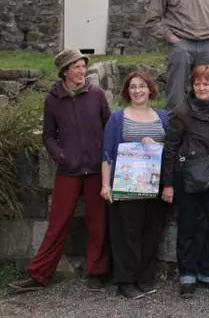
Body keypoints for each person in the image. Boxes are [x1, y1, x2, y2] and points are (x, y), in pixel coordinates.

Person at [9, 49, 111, 293]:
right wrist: (60, 155)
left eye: (83, 66)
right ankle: (39, 275)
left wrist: (105, 157)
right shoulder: (53, 98)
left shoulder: (96, 94)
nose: (81, 71)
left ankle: (98, 272)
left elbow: (109, 126)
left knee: (97, 222)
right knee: (58, 223)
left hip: (96, 170)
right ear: (65, 71)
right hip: (68, 170)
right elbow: (48, 135)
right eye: (76, 67)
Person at [160, 65, 209, 298]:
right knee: (187, 227)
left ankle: (207, 270)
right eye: (198, 83)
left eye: (206, 83)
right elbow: (171, 148)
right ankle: (187, 274)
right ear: (192, 86)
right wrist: (167, 183)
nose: (202, 87)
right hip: (187, 176)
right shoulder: (181, 112)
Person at [100, 71, 169, 299]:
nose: (137, 90)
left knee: (151, 233)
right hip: (125, 185)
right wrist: (105, 185)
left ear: (150, 89)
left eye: (142, 86)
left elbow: (172, 149)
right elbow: (107, 153)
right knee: (126, 234)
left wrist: (157, 143)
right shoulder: (117, 119)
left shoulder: (162, 117)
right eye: (132, 87)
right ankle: (125, 281)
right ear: (127, 91)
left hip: (155, 185)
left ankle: (145, 278)